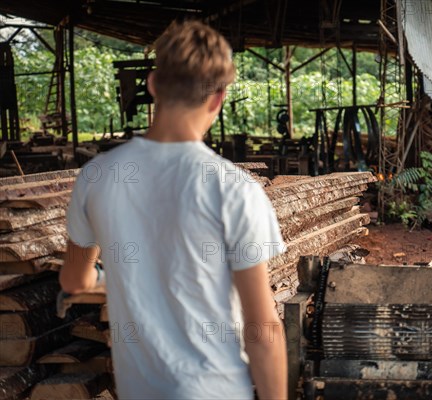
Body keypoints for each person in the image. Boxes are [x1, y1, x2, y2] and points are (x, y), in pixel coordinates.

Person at [59, 20, 287, 399]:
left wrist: (104, 276)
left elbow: (73, 282)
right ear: (218, 98)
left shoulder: (97, 177)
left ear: (152, 85)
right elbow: (262, 329)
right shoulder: (234, 189)